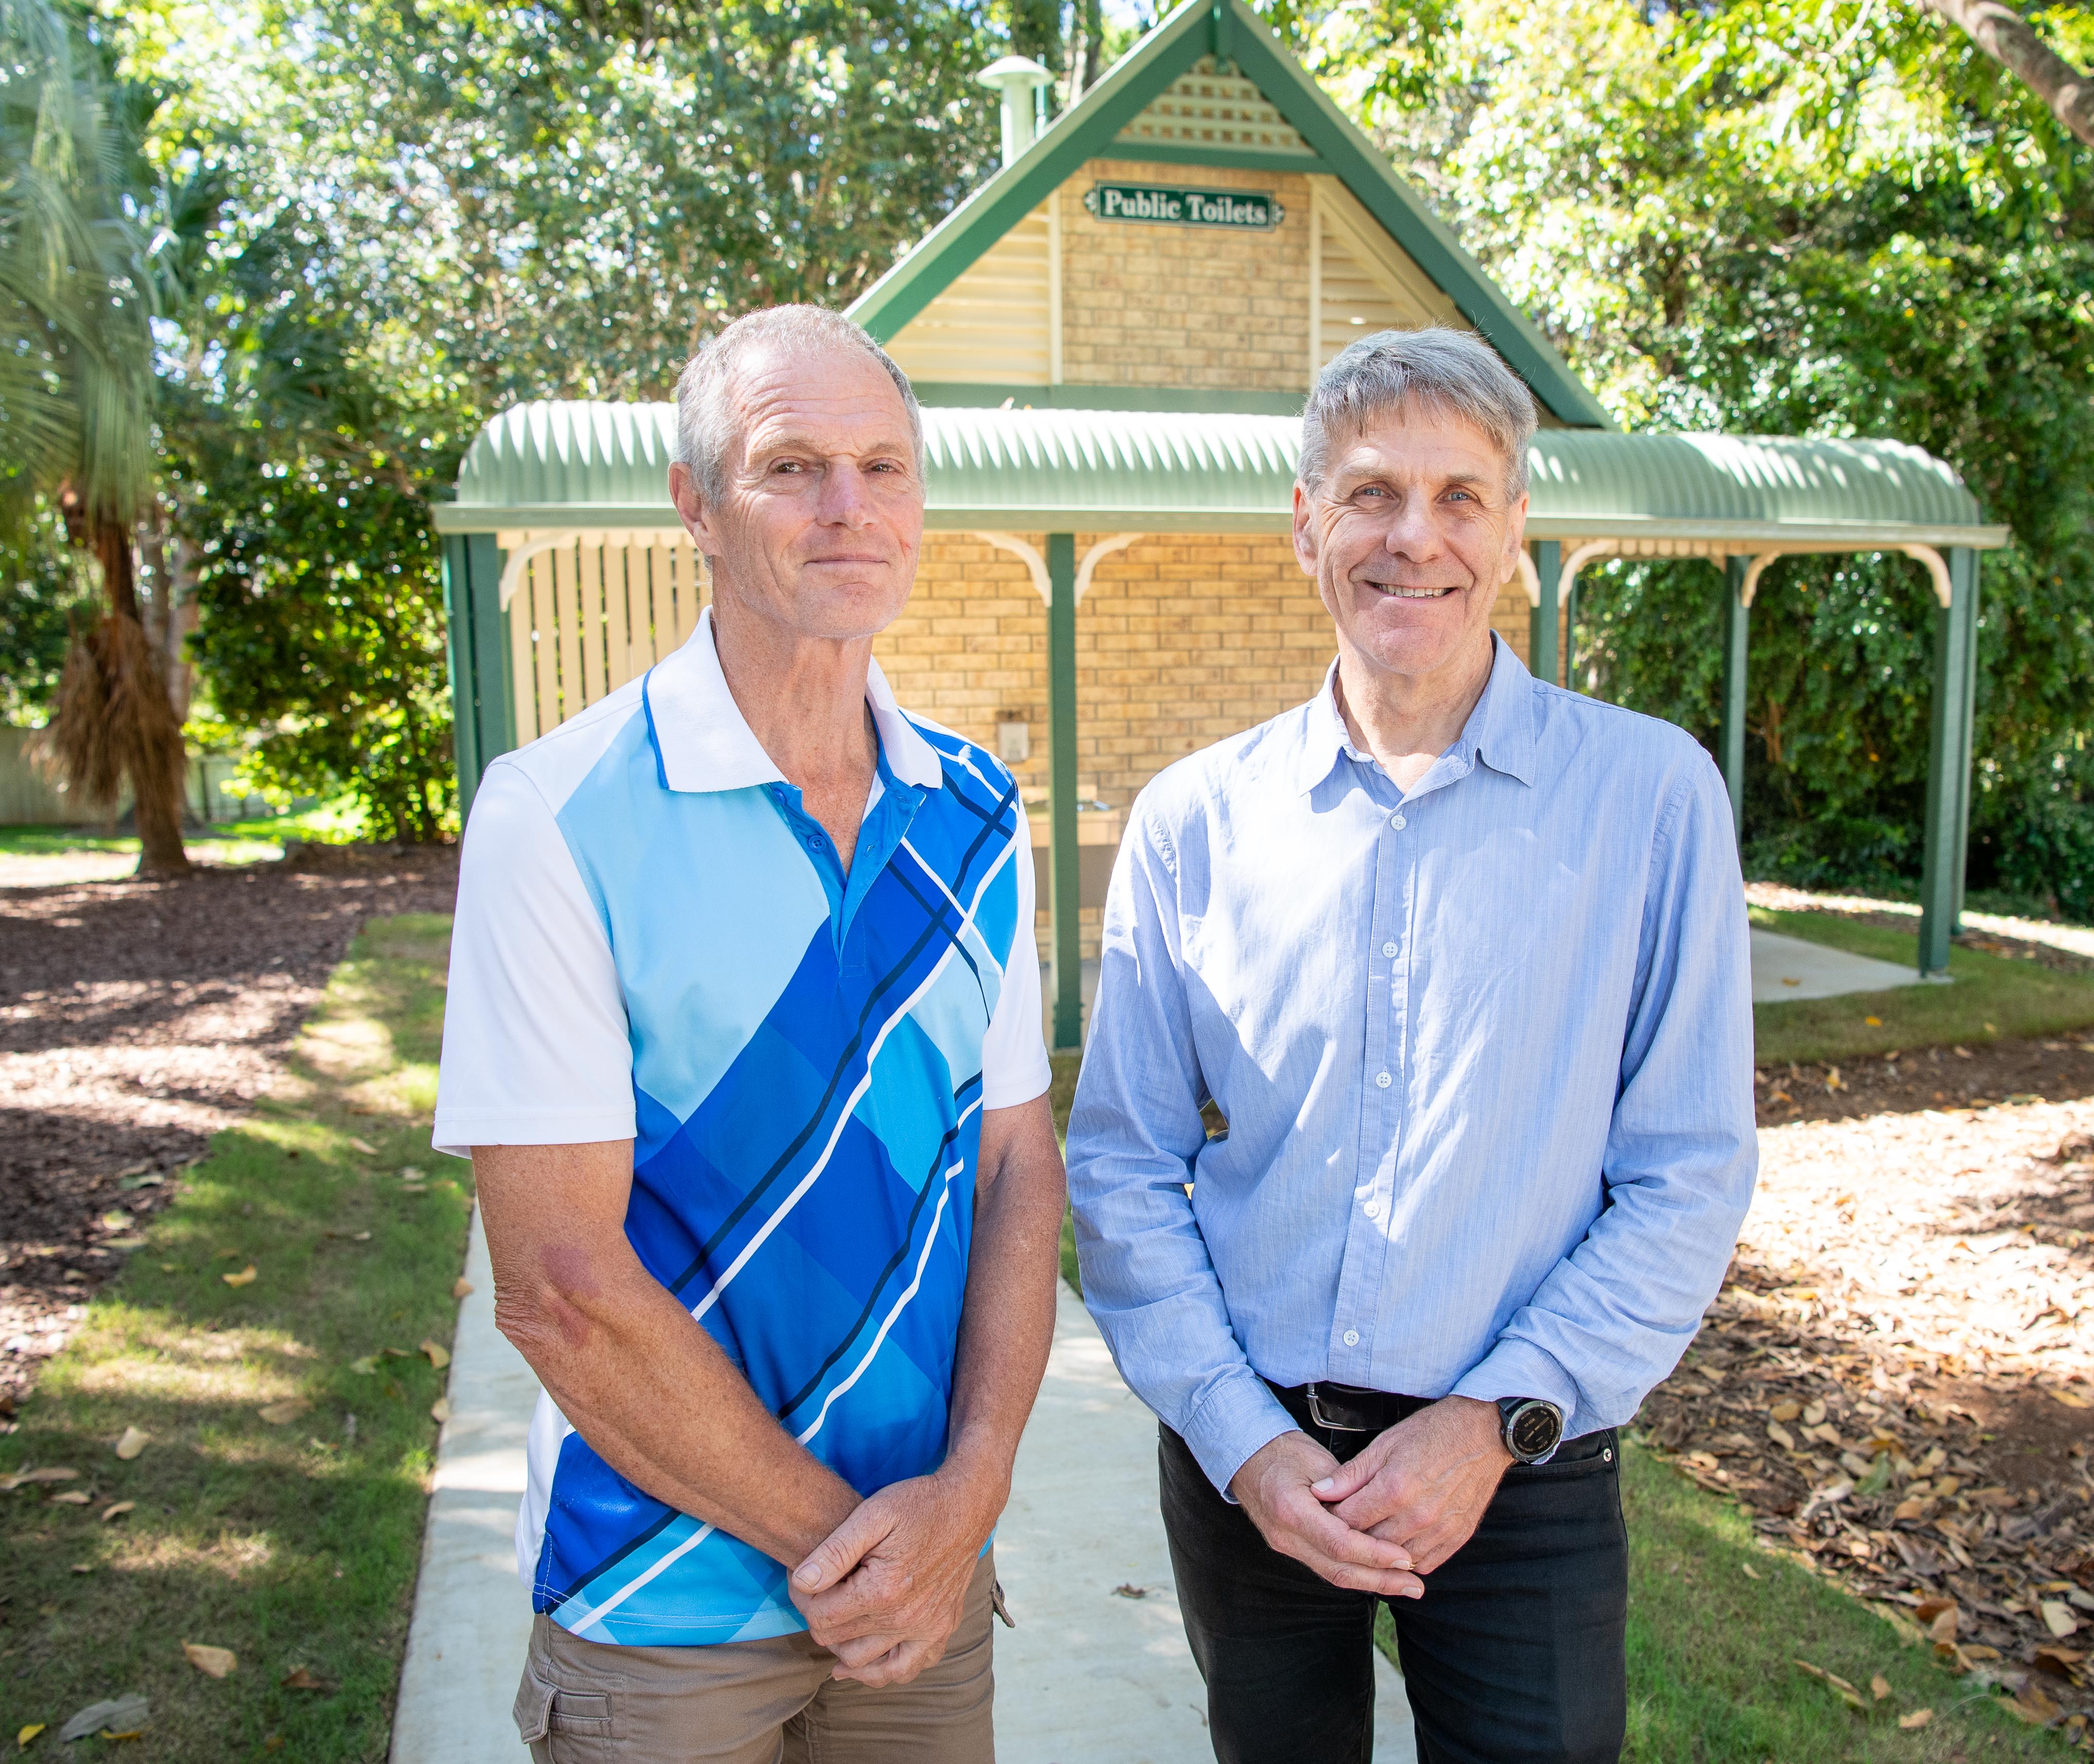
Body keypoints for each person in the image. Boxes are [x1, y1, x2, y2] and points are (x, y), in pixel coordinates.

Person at [1065, 326, 1758, 1764]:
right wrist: (1240, 1438)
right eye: (1372, 493)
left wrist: (1493, 1420)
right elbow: (1124, 1168)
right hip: (1252, 1463)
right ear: (1306, 522)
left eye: (1460, 497)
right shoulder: (1195, 820)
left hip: (1524, 1463)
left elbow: (1688, 1170)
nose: (1414, 539)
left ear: (1516, 531)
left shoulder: (1650, 796)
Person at [432, 304, 1065, 1763]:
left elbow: (1018, 1164)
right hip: (662, 1606)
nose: (852, 509)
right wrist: (861, 1547)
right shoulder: (560, 816)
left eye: (884, 467)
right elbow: (559, 1284)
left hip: (929, 1583)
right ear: (695, 507)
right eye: (792, 467)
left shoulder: (973, 811)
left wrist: (969, 1495)